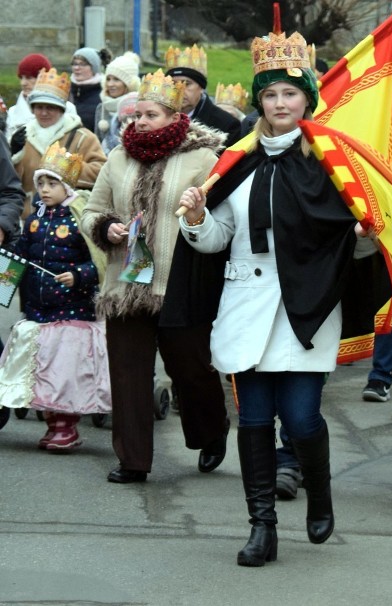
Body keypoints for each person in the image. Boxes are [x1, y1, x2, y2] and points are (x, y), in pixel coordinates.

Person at [176, 27, 386, 567]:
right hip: (246, 304)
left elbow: (349, 240)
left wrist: (363, 237)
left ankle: (319, 493)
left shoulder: (330, 163)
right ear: (258, 101)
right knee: (252, 421)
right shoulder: (236, 162)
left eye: (289, 93)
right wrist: (197, 220)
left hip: (307, 307)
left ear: (307, 98)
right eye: (269, 95)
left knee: (301, 420)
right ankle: (261, 526)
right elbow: (218, 239)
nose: (279, 103)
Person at [80, 69, 230, 484]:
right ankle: (133, 460)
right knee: (128, 374)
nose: (139, 122)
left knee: (191, 368)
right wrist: (105, 226)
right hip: (126, 286)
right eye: (136, 114)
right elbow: (92, 211)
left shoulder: (203, 158)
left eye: (150, 114)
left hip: (180, 285)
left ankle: (210, 432)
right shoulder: (117, 157)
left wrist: (199, 212)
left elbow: (222, 219)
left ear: (175, 116)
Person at [0, 142, 108, 450]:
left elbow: (99, 260)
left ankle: (66, 426)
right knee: (42, 366)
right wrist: (6, 262)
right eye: (41, 183)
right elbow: (22, 253)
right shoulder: (34, 219)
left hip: (72, 311)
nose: (45, 189)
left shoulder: (80, 219)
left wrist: (79, 275)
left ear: (67, 186)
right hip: (38, 309)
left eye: (53, 183)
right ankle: (51, 423)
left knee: (65, 371)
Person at [10, 68, 106, 217]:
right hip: (28, 219)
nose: (43, 112)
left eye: (50, 108)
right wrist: (13, 155)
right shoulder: (22, 136)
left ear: (62, 110)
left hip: (68, 221)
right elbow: (9, 184)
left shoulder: (83, 137)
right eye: (39, 107)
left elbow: (101, 173)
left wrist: (67, 166)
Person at [165, 44, 241, 147]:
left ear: (201, 88)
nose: (179, 90)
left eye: (187, 84)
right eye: (173, 84)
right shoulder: (157, 119)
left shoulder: (226, 125)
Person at [93, 52, 141, 149]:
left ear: (129, 84)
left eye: (116, 79)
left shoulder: (139, 107)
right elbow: (97, 141)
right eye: (108, 79)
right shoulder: (101, 107)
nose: (110, 84)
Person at [6, 54, 53, 143]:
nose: (23, 83)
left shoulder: (65, 108)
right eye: (21, 78)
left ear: (43, 78)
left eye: (29, 77)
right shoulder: (12, 113)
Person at [70, 47, 110, 132]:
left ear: (94, 67)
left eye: (82, 64)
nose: (77, 68)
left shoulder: (104, 93)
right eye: (74, 64)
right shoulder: (66, 90)